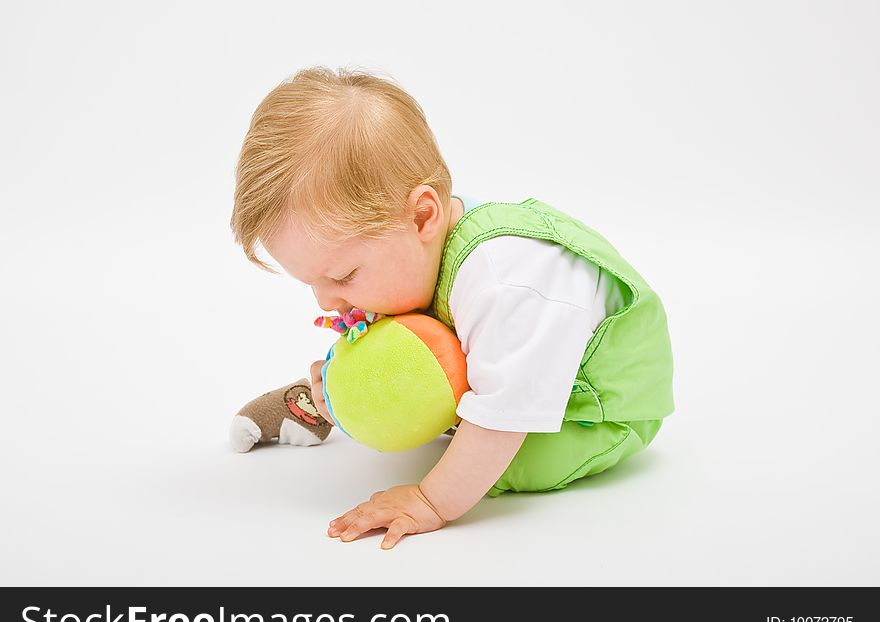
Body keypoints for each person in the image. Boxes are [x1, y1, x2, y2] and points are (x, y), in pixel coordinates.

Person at [229, 66, 675, 550]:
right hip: (520, 374)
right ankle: (336, 394)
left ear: (423, 215)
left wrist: (431, 500)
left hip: (591, 412)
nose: (327, 301)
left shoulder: (503, 280)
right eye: (310, 283)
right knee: (400, 348)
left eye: (342, 277)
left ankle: (354, 401)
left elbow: (505, 414)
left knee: (509, 457)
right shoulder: (414, 250)